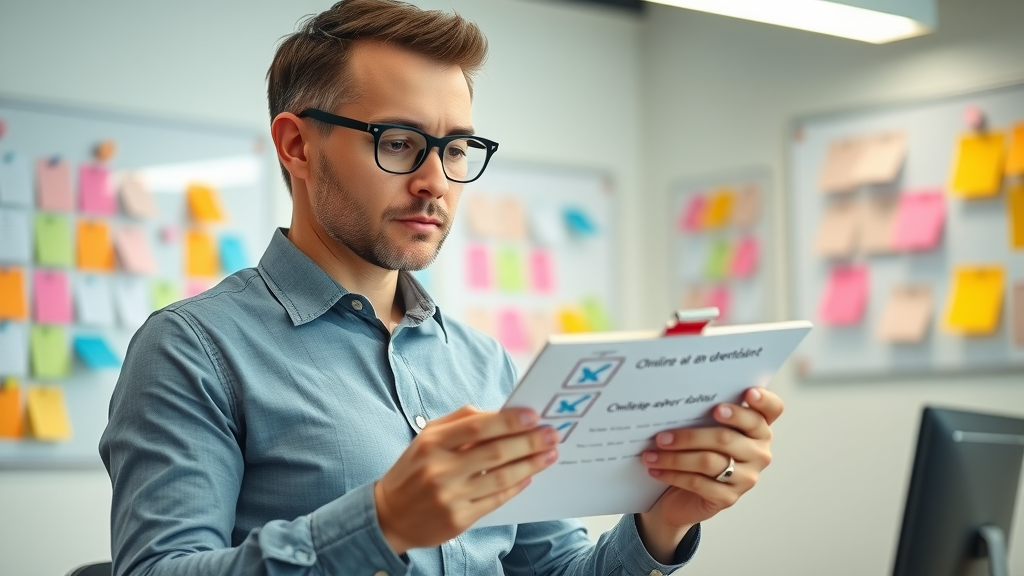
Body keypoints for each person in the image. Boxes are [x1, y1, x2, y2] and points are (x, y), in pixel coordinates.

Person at [99, 1, 783, 574]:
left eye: (455, 149)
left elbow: (550, 567)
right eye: (398, 141)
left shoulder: (482, 361)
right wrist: (381, 521)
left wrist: (662, 520)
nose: (434, 180)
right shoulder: (193, 348)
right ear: (297, 146)